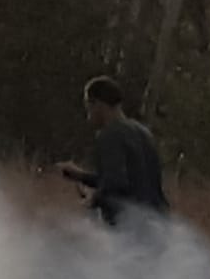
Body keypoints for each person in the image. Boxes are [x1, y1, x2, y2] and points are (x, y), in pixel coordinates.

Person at [56, 76, 169, 227]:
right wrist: (81, 176)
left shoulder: (110, 134)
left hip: (130, 228)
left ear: (97, 104)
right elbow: (133, 181)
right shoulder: (143, 132)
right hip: (159, 222)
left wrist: (90, 201)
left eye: (88, 106)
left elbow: (115, 184)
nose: (88, 115)